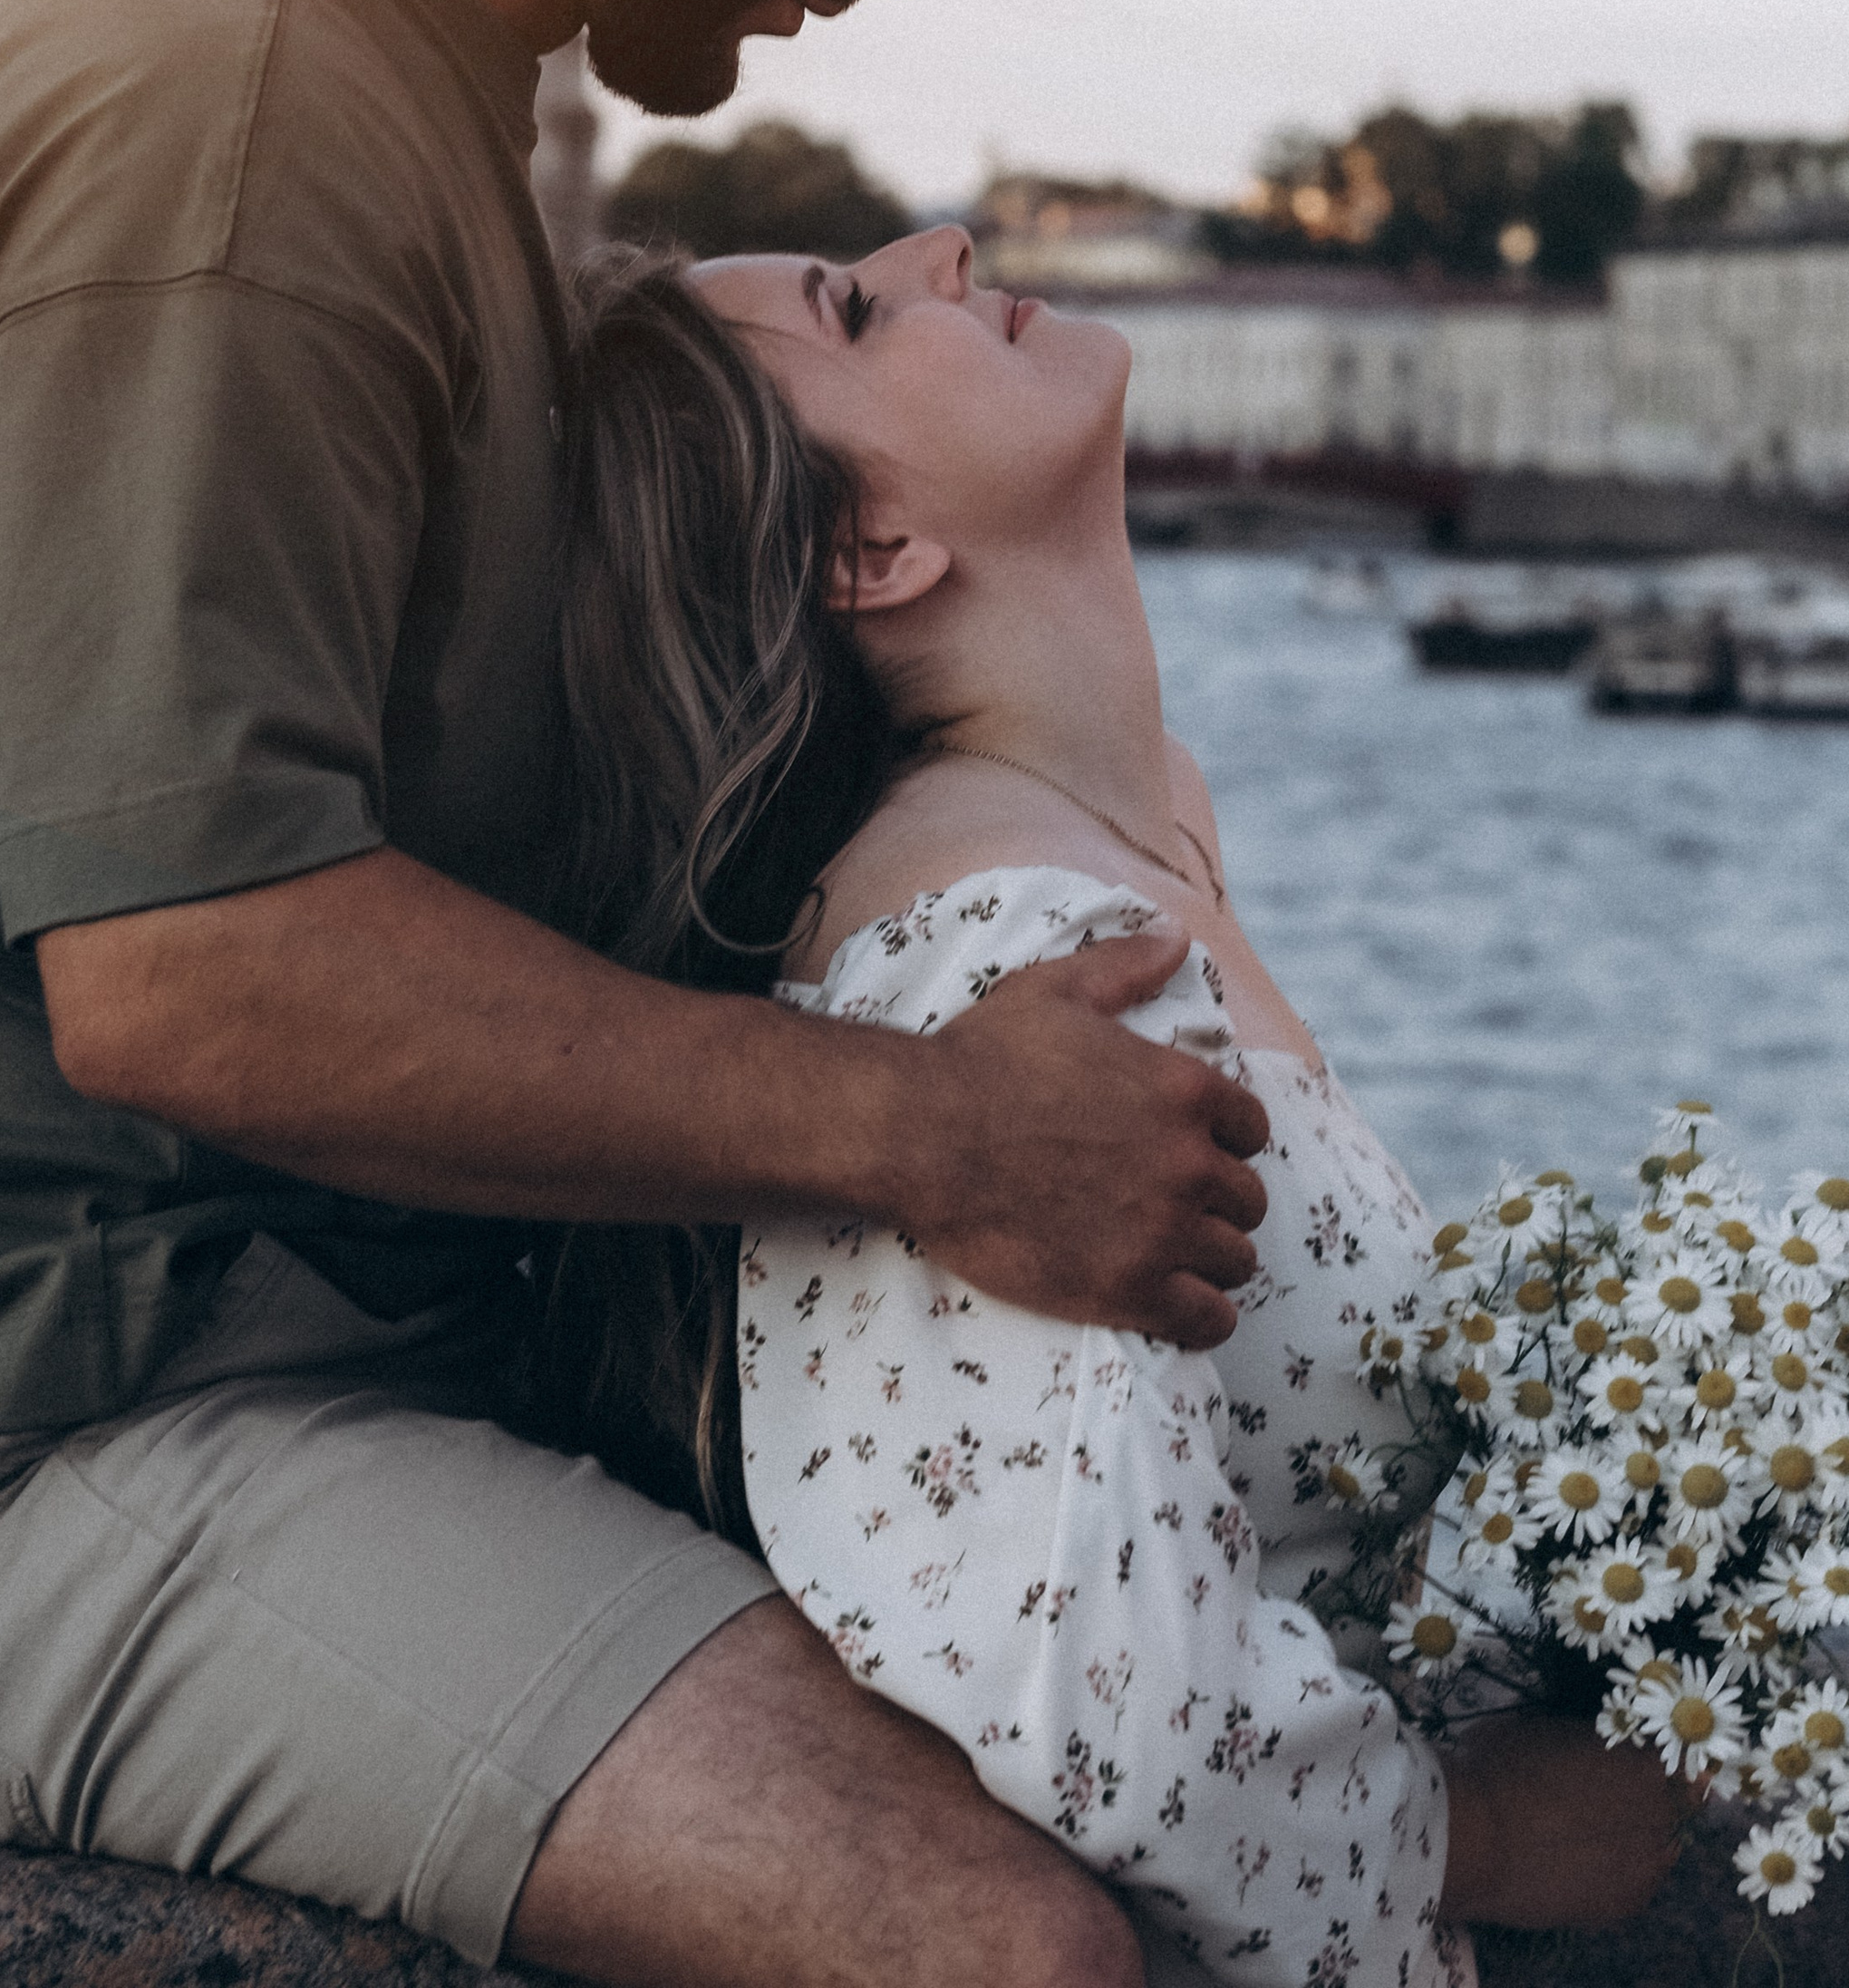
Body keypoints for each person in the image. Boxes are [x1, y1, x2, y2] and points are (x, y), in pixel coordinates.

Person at [0, 0, 1273, 1988]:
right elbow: (193, 968)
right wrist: (931, 1133)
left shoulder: (402, 74)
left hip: (279, 1331)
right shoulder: (242, 110)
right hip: (59, 1412)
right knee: (1002, 1948)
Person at [546, 231, 1692, 1987]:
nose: (935, 245)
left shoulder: (1145, 833)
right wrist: (1499, 1829)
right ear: (873, 548)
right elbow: (1075, 1684)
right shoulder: (993, 970)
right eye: (856, 309)